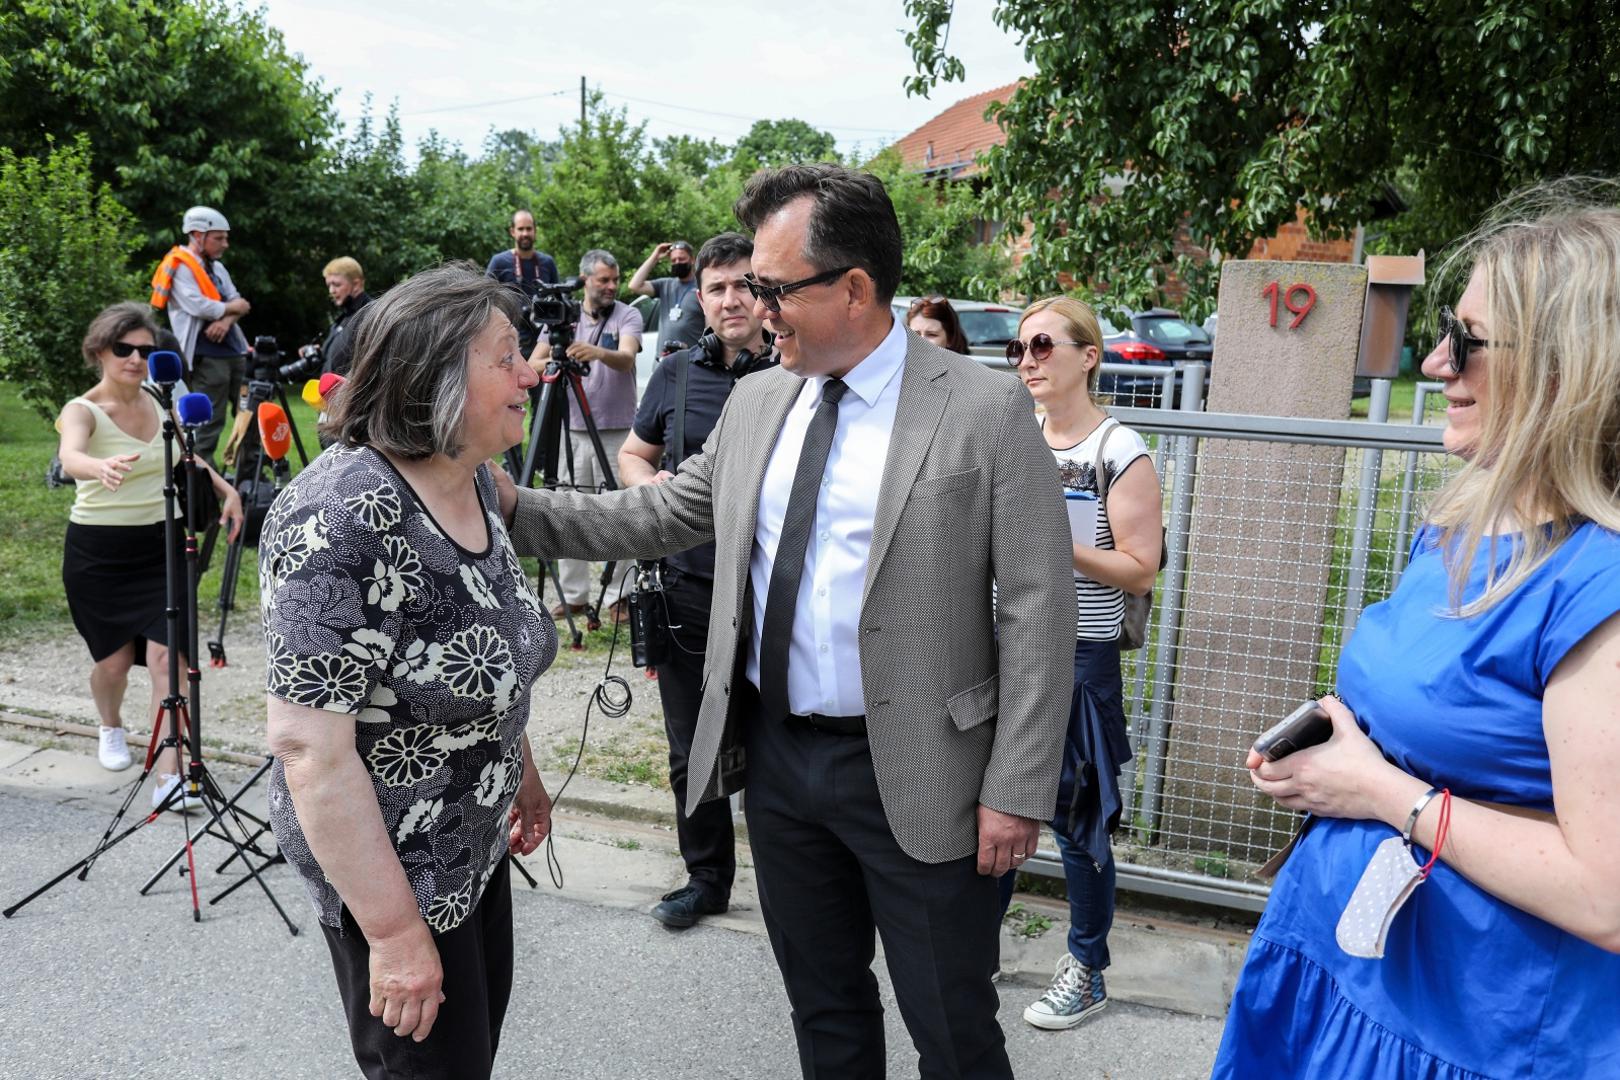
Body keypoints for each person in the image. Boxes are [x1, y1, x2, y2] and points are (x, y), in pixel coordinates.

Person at [497, 163, 1074, 1079]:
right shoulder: (764, 397)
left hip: (930, 774)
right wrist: (504, 500)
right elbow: (659, 513)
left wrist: (1018, 784)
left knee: (953, 1029)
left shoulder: (984, 407)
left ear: (853, 288)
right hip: (779, 764)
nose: (756, 308)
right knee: (825, 1009)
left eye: (774, 288)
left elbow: (1042, 608)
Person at [1213, 192, 1620, 1078]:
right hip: (1344, 974)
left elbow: (1607, 895)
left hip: (1473, 1026)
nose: (1437, 360)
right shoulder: (1461, 523)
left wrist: (1374, 787)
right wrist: (1339, 736)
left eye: (1469, 339)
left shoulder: (1602, 586)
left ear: (1565, 367)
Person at [261, 263, 556, 1080]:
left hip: (471, 847)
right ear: (435, 374)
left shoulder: (471, 482)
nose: (529, 372)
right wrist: (393, 937)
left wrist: (519, 769)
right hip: (397, 878)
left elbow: (484, 650)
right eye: (506, 357)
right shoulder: (343, 514)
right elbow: (309, 748)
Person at [994, 296, 1162, 1029]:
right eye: (1018, 350)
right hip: (1001, 645)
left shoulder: (1118, 450)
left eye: (1042, 346)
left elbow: (1140, 570)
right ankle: (976, 942)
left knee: (1076, 816)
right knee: (992, 800)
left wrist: (1047, 542)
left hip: (1077, 656)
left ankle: (1088, 967)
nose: (1027, 361)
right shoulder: (1012, 434)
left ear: (1087, 356)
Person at [617, 231, 777, 930]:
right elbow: (631, 452)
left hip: (774, 597)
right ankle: (706, 879)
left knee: (780, 748)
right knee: (693, 749)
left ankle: (793, 889)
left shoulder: (795, 375)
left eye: (744, 284)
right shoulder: (677, 374)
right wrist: (650, 485)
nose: (731, 298)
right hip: (686, 588)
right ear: (699, 300)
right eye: (716, 288)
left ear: (765, 293)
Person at [57, 302, 243, 808]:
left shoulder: (162, 401)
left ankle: (170, 775)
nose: (136, 360)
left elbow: (189, 456)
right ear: (100, 350)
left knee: (170, 657)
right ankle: (110, 726)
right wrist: (98, 468)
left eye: (146, 350)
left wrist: (228, 491)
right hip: (99, 554)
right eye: (124, 349)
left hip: (162, 545)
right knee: (113, 662)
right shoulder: (83, 409)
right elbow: (70, 455)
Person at [532, 249, 643, 623]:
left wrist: (596, 351)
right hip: (574, 429)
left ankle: (619, 596)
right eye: (604, 280)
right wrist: (554, 360)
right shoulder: (561, 316)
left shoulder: (627, 314)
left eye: (615, 279)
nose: (612, 286)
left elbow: (627, 358)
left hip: (619, 430)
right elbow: (533, 362)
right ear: (585, 281)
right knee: (568, 511)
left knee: (622, 510)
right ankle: (575, 595)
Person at [148, 205, 252, 467]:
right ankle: (204, 480)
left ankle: (249, 477)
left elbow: (240, 302)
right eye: (219, 238)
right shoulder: (180, 266)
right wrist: (232, 309)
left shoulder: (217, 268)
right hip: (206, 358)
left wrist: (227, 319)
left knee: (249, 413)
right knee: (208, 422)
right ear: (197, 235)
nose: (225, 244)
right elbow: (199, 306)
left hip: (234, 352)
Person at [484, 209, 559, 359]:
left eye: (529, 229)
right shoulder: (499, 261)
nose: (525, 233)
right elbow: (485, 299)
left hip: (543, 340)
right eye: (521, 229)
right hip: (510, 339)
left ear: (535, 231)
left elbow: (558, 299)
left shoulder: (547, 262)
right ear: (512, 231)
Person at [629, 239, 706, 355]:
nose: (677, 262)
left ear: (692, 259)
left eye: (681, 259)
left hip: (692, 361)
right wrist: (655, 257)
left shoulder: (703, 286)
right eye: (674, 260)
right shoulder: (665, 285)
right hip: (663, 361)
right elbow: (634, 285)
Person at [319, 256, 374, 378]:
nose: (331, 291)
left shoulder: (372, 314)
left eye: (336, 284)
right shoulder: (342, 319)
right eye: (329, 285)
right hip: (329, 395)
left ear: (356, 284)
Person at [906, 295, 970, 354]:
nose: (921, 342)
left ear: (950, 339)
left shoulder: (965, 366)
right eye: (914, 335)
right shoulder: (900, 364)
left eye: (931, 335)